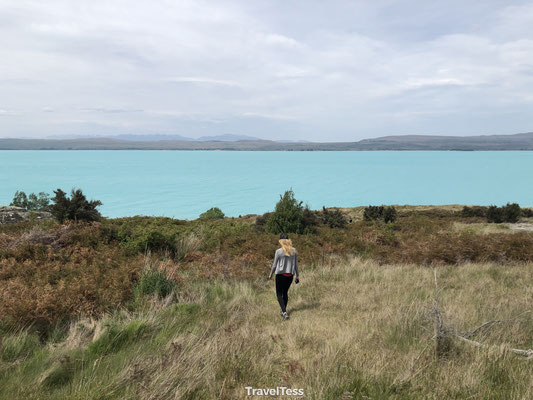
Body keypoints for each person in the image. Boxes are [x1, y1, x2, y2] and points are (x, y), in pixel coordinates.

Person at [268, 233, 299, 320]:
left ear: (281, 241)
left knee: (279, 294)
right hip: (290, 275)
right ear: (289, 241)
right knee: (285, 293)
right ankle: (283, 311)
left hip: (280, 275)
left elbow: (274, 265)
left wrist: (271, 274)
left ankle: (284, 312)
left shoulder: (278, 251)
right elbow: (296, 264)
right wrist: (297, 275)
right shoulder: (294, 250)